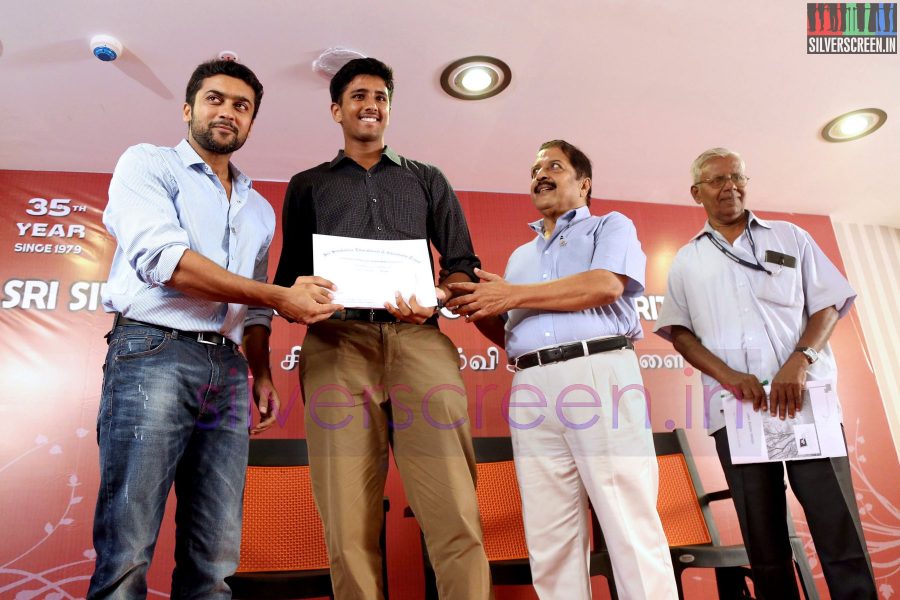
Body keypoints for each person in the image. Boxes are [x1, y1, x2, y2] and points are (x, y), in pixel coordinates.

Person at [88, 59, 340, 599]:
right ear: (188, 109)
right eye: (215, 99)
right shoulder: (147, 164)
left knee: (218, 556)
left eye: (241, 106)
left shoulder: (260, 211)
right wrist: (280, 294)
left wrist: (261, 373)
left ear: (251, 123)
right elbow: (168, 263)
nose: (227, 112)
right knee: (127, 549)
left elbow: (251, 311)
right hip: (152, 352)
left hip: (228, 370)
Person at [273, 57, 493, 600]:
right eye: (358, 96)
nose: (371, 104)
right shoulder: (306, 187)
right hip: (337, 346)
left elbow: (462, 263)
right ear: (336, 110)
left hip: (420, 342)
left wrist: (437, 296)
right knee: (347, 523)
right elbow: (287, 284)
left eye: (381, 96)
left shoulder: (427, 178)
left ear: (390, 109)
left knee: (455, 510)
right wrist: (304, 301)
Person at [447, 140, 677, 600]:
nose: (541, 174)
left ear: (584, 183)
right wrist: (475, 301)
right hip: (531, 383)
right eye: (535, 169)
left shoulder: (610, 225)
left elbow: (606, 284)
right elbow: (513, 333)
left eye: (554, 165)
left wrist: (510, 294)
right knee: (549, 533)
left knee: (629, 524)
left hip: (599, 373)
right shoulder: (519, 258)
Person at [654, 147, 877, 600]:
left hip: (806, 402)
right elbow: (680, 333)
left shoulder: (790, 237)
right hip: (737, 415)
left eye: (737, 176)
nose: (729, 186)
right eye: (717, 180)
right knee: (765, 542)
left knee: (837, 528)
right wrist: (730, 375)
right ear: (697, 193)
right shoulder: (687, 261)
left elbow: (830, 303)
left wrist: (801, 360)